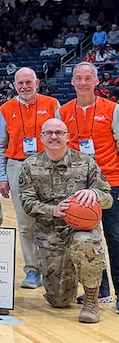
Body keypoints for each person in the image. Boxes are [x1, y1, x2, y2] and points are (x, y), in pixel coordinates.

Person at [18, 118, 112, 323]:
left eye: (59, 132)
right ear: (41, 137)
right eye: (49, 132)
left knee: (85, 242)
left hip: (81, 229)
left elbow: (108, 197)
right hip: (50, 235)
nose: (54, 136)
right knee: (59, 301)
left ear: (68, 136)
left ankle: (91, 300)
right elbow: (27, 202)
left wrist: (94, 193)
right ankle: (68, 274)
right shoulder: (30, 165)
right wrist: (54, 210)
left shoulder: (85, 162)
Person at [58, 62, 119, 306]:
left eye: (87, 78)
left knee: (115, 237)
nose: (82, 82)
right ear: (72, 81)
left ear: (96, 82)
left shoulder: (113, 109)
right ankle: (99, 291)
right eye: (78, 78)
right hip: (78, 187)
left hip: (111, 182)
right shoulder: (62, 112)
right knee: (88, 239)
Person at [0, 67, 59, 290]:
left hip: (48, 166)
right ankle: (32, 270)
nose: (24, 86)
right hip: (17, 166)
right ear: (14, 85)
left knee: (51, 218)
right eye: (20, 83)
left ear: (37, 83)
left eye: (28, 82)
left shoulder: (52, 104)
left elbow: (62, 138)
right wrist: (1, 176)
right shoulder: (5, 109)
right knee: (25, 222)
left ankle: (52, 269)